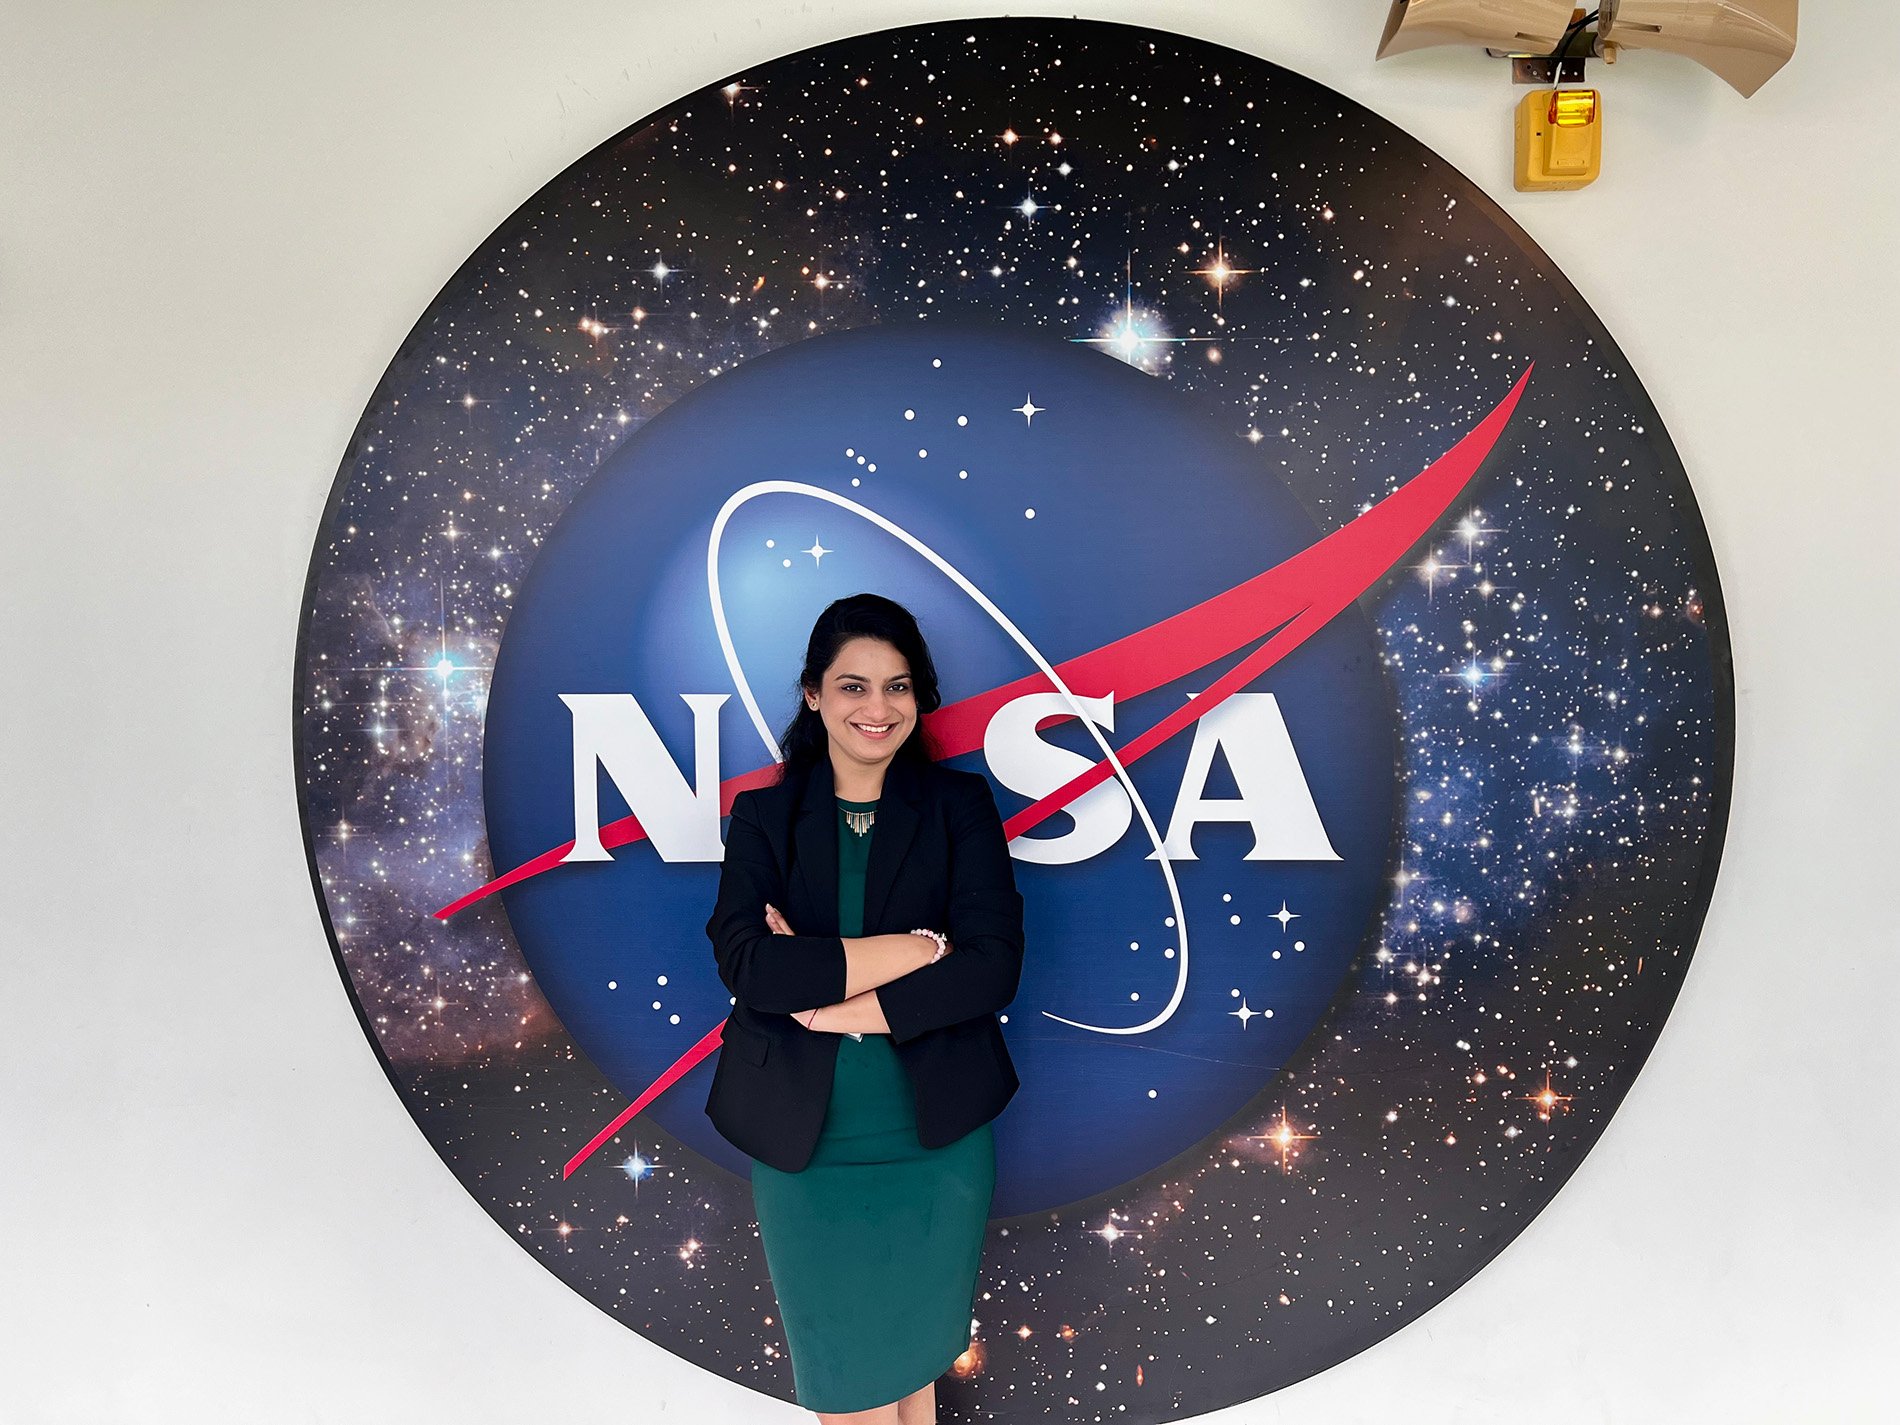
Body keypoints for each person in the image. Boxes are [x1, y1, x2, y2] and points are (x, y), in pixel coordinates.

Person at [704, 592, 1025, 1423]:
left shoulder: (958, 809)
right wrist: (919, 948)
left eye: (898, 686)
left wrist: (825, 1004)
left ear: (919, 698)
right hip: (807, 1149)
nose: (877, 709)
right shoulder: (766, 818)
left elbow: (991, 970)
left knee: (913, 1382)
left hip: (934, 1144)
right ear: (813, 694)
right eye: (853, 686)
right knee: (848, 1392)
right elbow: (749, 965)